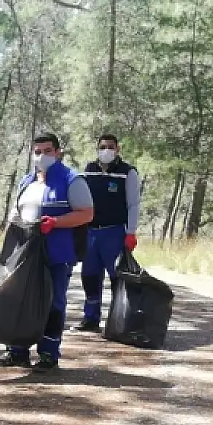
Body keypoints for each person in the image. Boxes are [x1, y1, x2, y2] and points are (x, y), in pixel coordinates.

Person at [0, 133, 94, 372]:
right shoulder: (26, 182)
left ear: (58, 152)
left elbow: (86, 214)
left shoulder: (72, 180)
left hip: (56, 253)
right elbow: (16, 215)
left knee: (53, 302)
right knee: (19, 299)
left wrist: (55, 222)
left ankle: (48, 353)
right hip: (25, 252)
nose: (42, 156)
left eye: (47, 151)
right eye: (37, 151)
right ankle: (17, 352)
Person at [74, 133, 140, 332]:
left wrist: (131, 232)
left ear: (117, 149)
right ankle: (91, 317)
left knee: (117, 277)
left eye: (110, 147)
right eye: (103, 147)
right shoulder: (89, 170)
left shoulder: (127, 172)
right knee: (90, 275)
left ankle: (119, 320)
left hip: (115, 232)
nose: (106, 151)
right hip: (91, 232)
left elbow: (133, 204)